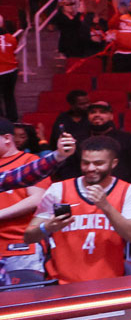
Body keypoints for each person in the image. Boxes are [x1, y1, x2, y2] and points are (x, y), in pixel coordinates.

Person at [26, 136, 131, 285]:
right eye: (86, 163)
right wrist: (47, 227)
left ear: (114, 163)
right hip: (62, 285)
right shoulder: (58, 189)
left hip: (110, 284)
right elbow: (28, 236)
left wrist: (106, 206)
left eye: (99, 163)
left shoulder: (129, 191)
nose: (90, 168)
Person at [0, 121, 72, 282]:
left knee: (23, 299)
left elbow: (23, 176)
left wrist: (58, 155)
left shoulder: (27, 160)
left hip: (20, 244)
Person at [82, 101, 131, 184]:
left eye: (103, 112)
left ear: (111, 116)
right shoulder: (80, 138)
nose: (97, 115)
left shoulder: (126, 138)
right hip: (86, 186)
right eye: (93, 112)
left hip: (120, 187)